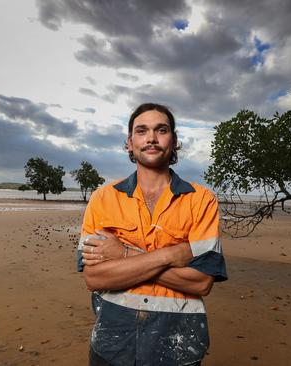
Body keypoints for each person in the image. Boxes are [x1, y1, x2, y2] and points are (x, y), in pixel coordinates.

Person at [76, 103, 227, 365]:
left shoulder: (201, 201)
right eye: (142, 130)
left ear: (175, 141)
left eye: (162, 130)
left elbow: (200, 282)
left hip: (179, 346)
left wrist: (123, 254)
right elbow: (94, 277)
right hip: (112, 343)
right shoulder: (103, 198)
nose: (151, 138)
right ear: (129, 143)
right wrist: (172, 254)